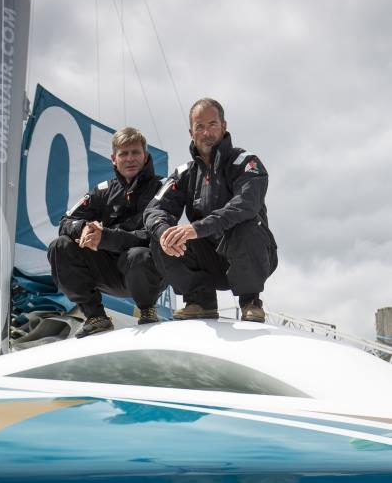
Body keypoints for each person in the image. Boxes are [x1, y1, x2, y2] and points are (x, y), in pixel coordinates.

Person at [144, 98, 277, 323]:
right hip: (209, 260)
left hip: (248, 256)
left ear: (224, 126)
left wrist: (197, 228)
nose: (207, 132)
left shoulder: (246, 162)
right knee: (162, 236)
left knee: (247, 226)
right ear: (191, 132)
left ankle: (250, 301)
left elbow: (246, 204)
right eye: (200, 127)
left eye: (212, 124)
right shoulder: (184, 173)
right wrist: (165, 231)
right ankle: (200, 301)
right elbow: (154, 209)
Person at [48, 126, 167, 337]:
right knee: (60, 246)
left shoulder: (162, 187)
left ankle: (148, 310)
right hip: (110, 270)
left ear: (145, 156)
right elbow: (66, 221)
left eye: (135, 152)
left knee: (138, 255)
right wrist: (84, 229)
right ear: (114, 158)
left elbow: (154, 237)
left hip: (147, 270)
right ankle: (95, 316)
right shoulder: (102, 191)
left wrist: (106, 238)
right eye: (123, 153)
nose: (130, 158)